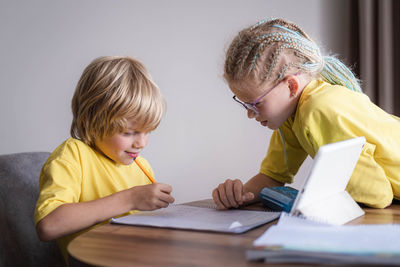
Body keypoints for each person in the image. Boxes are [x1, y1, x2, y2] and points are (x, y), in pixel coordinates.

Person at [212, 18, 400, 210]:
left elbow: (377, 195)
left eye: (255, 104)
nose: (250, 115)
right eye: (245, 105)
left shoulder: (319, 109)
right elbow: (273, 176)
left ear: (291, 86)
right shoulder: (291, 115)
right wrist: (239, 195)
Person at [34, 56, 175, 262]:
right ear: (90, 121)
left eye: (148, 132)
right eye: (129, 132)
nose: (141, 143)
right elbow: (48, 225)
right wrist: (130, 199)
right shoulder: (73, 155)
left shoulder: (141, 166)